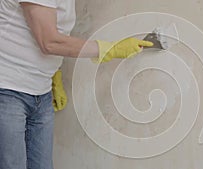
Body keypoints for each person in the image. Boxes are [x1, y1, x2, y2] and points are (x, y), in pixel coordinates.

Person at [0, 0, 153, 168]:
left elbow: (38, 31)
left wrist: (54, 74)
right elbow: (49, 41)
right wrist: (109, 49)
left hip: (40, 93)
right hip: (7, 90)